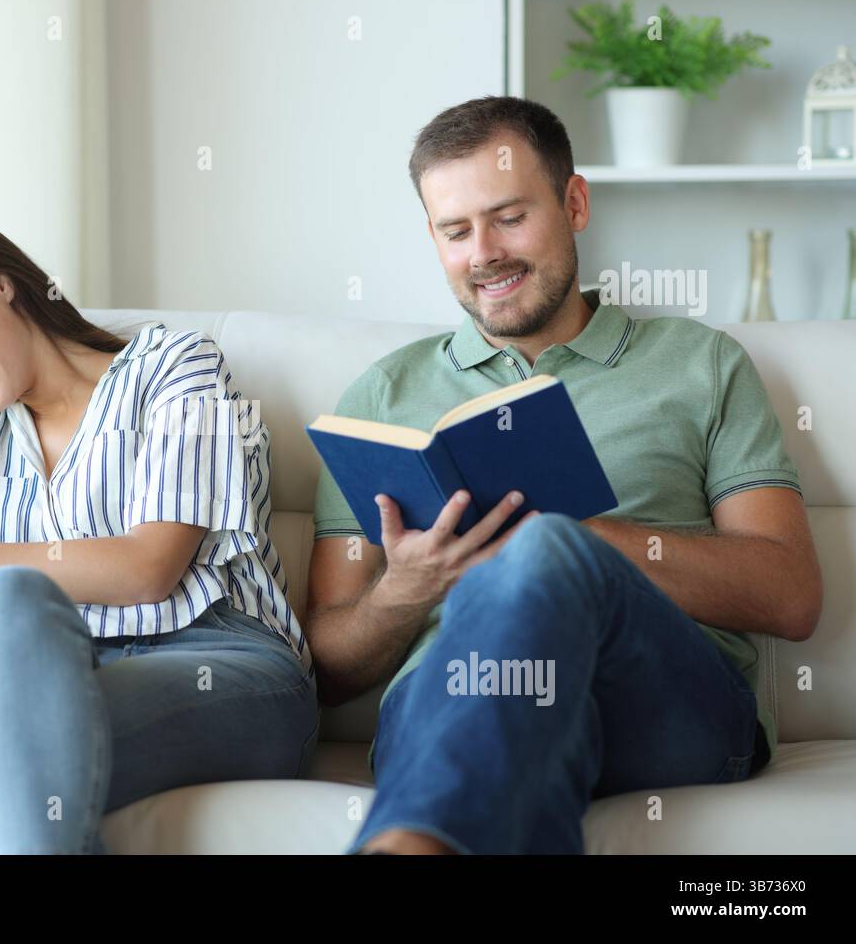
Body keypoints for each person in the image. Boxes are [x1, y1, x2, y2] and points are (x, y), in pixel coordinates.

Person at [305, 96, 823, 855]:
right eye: (456, 231)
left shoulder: (700, 363)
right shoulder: (381, 398)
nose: (484, 252)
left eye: (509, 217)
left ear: (574, 202)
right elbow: (323, 666)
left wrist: (579, 547)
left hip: (663, 705)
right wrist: (401, 593)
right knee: (521, 729)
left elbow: (790, 594)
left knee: (548, 548)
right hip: (451, 703)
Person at [0, 213, 317, 853]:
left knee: (4, 730)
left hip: (224, 660)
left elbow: (148, 568)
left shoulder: (174, 366)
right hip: (60, 674)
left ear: (2, 285)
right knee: (12, 658)